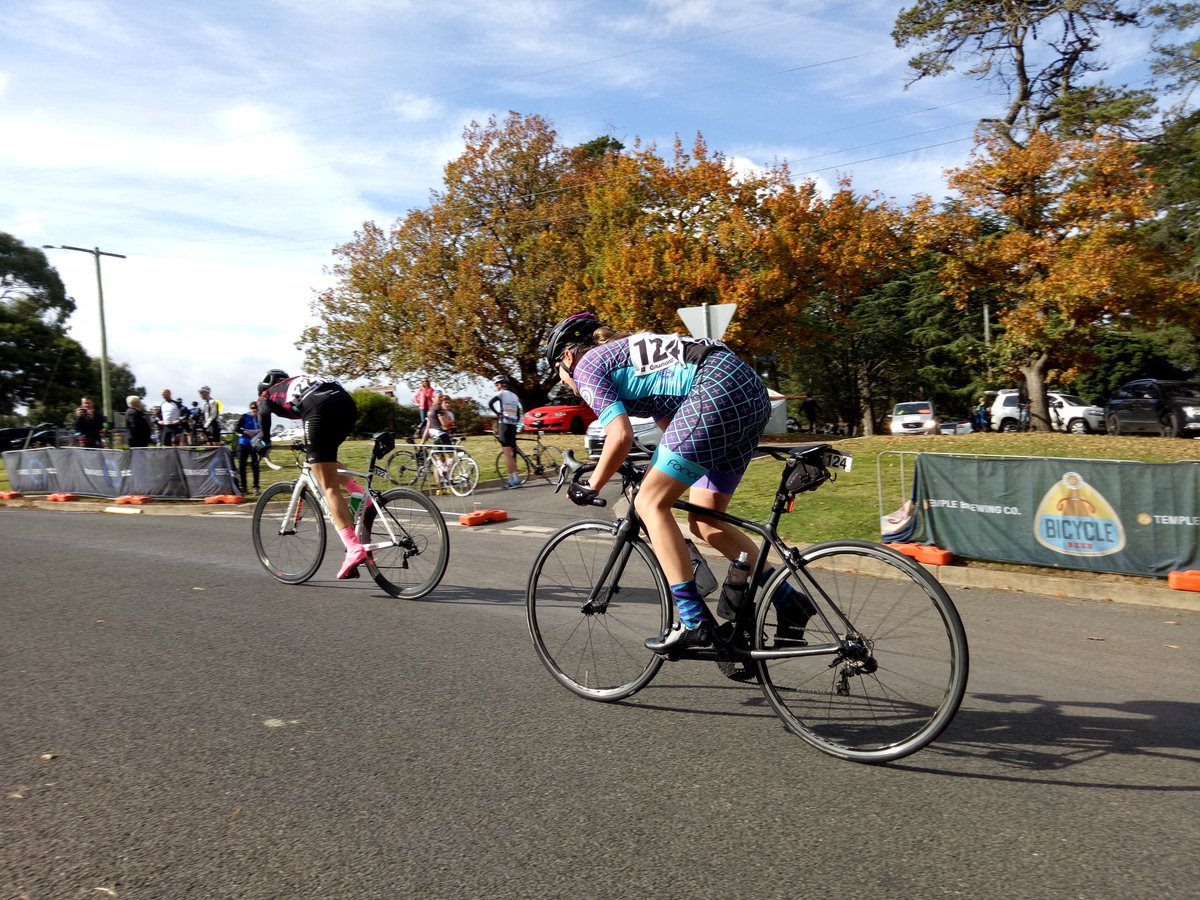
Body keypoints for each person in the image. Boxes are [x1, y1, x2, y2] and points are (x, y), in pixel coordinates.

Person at [546, 311, 803, 654]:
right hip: (746, 391)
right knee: (706, 521)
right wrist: (652, 471)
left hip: (714, 390)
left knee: (649, 503)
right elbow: (676, 433)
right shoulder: (635, 356)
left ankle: (692, 621)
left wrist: (592, 484)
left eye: (559, 375)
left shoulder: (588, 365)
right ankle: (788, 600)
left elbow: (619, 435)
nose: (565, 383)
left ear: (566, 356)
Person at [257, 370, 366, 579]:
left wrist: (264, 441)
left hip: (319, 407)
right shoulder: (297, 382)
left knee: (328, 486)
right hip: (345, 403)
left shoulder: (268, 394)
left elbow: (263, 410)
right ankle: (360, 496)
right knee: (327, 461)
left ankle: (353, 548)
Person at [489, 376, 523, 489]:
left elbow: (490, 403)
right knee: (512, 453)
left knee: (507, 454)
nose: (496, 387)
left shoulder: (501, 393)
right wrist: (516, 421)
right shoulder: (514, 396)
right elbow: (518, 412)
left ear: (499, 384)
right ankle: (517, 479)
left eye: (496, 385)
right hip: (513, 425)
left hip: (504, 424)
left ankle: (511, 481)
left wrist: (498, 413)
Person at [420, 390, 456, 485]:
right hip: (442, 435)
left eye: (442, 397)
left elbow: (428, 427)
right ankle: (446, 475)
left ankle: (440, 481)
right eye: (439, 397)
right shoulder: (439, 408)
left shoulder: (430, 410)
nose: (441, 399)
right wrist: (450, 419)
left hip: (434, 436)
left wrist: (422, 441)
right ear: (433, 398)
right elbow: (443, 423)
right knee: (451, 456)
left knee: (440, 459)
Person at [235, 401, 262, 494]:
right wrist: (245, 432)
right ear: (250, 409)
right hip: (243, 444)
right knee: (242, 466)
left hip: (255, 445)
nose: (254, 410)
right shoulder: (244, 416)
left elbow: (264, 430)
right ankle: (243, 487)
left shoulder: (261, 418)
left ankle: (256, 487)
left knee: (255, 466)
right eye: (252, 408)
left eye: (256, 408)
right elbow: (236, 428)